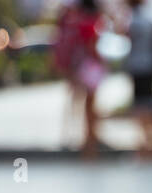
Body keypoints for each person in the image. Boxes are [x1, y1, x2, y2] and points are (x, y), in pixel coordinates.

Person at [54, 0, 106, 157]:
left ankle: (73, 137)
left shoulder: (72, 21)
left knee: (76, 103)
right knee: (89, 105)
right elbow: (92, 47)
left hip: (76, 68)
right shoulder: (89, 24)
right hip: (88, 69)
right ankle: (89, 141)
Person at [123, 0, 152, 156]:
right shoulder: (150, 15)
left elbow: (126, 34)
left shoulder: (136, 18)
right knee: (150, 103)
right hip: (150, 64)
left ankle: (147, 144)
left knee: (142, 106)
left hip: (140, 67)